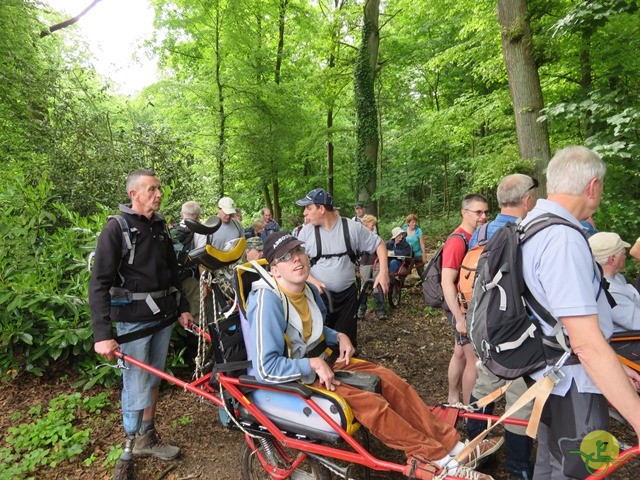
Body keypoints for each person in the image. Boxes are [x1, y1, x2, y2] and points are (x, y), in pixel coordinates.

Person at [246, 231, 502, 480]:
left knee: (391, 381)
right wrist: (311, 363)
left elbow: (310, 329)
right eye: (285, 257)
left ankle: (454, 447)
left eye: (298, 250)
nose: (296, 259)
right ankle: (438, 460)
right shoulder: (267, 301)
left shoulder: (309, 290)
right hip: (296, 379)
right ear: (275, 270)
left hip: (324, 364)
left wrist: (337, 336)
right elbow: (264, 368)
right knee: (372, 404)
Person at [520, 146, 640, 479]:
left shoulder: (531, 225)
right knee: (581, 471)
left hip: (549, 374)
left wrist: (613, 366)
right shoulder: (563, 239)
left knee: (550, 462)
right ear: (592, 187)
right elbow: (586, 343)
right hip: (575, 384)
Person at [89, 169, 194, 480]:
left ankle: (147, 437)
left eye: (159, 188)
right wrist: (103, 335)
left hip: (162, 318)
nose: (159, 194)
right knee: (135, 385)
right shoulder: (116, 229)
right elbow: (98, 284)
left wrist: (183, 309)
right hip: (133, 323)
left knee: (153, 381)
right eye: (152, 189)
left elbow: (174, 274)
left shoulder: (160, 227)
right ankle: (128, 449)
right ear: (133, 194)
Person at [465, 174, 538, 480]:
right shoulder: (529, 233)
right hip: (518, 330)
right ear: (527, 199)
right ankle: (519, 465)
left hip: (484, 324)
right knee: (519, 396)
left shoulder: (481, 231)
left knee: (484, 388)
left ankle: (476, 453)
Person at [296, 188, 390, 347]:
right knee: (320, 341)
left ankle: (347, 368)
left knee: (347, 341)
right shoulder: (306, 233)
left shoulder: (353, 228)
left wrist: (384, 272)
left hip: (347, 298)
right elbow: (297, 263)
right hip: (318, 297)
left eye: (308, 208)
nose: (304, 213)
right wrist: (311, 280)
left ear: (321, 208)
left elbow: (379, 244)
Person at [441, 194, 489, 406]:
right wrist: (459, 317)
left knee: (460, 353)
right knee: (473, 360)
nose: (483, 216)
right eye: (478, 212)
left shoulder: (476, 238)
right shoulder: (457, 240)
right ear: (464, 213)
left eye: (486, 212)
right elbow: (446, 282)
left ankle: (453, 398)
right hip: (462, 309)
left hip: (468, 308)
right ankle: (471, 412)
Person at [357, 214, 385, 320]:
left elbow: (381, 247)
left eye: (374, 225)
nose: (373, 227)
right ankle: (361, 310)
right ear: (365, 224)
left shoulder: (376, 236)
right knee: (364, 286)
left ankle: (380, 310)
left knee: (377, 286)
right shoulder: (359, 236)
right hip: (364, 263)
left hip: (376, 262)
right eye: (371, 225)